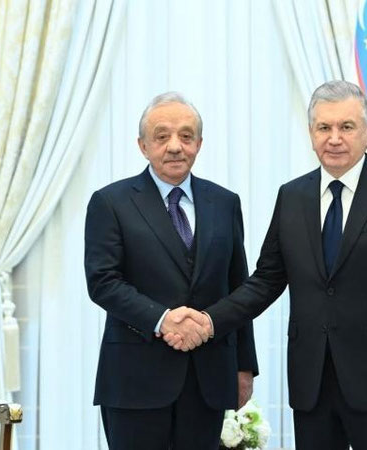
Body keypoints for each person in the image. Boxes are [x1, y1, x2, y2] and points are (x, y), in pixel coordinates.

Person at [165, 80, 367, 449]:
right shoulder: (292, 196)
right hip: (312, 383)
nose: (334, 138)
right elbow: (265, 281)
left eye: (346, 127)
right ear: (311, 133)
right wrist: (209, 321)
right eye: (324, 127)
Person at [84, 92, 259, 450]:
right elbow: (103, 282)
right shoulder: (111, 202)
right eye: (162, 136)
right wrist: (163, 320)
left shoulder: (225, 203)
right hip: (135, 380)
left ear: (199, 144)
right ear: (143, 146)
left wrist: (244, 367)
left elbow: (237, 287)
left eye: (186, 136)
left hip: (209, 379)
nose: (175, 146)